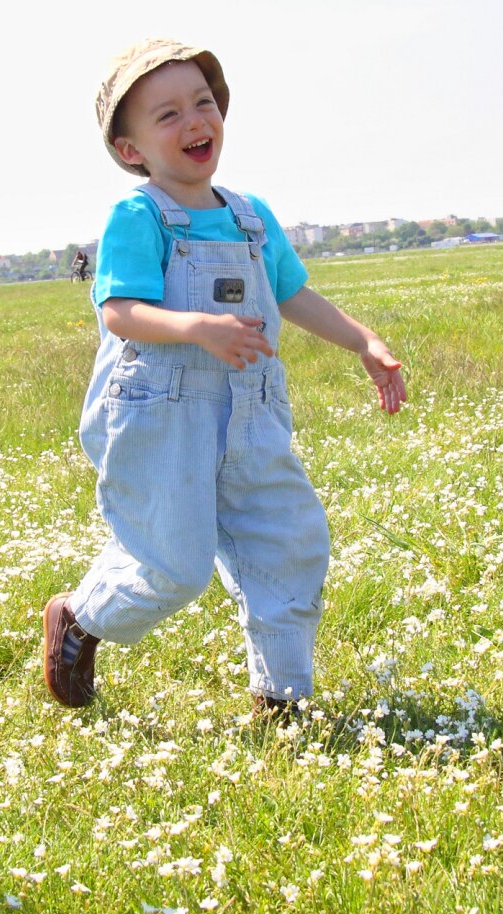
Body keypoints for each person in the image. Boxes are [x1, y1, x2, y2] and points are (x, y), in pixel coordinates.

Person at [43, 39, 406, 716]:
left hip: (251, 411)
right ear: (130, 149)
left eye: (203, 103)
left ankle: (282, 700)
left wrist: (363, 340)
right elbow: (120, 311)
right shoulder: (139, 216)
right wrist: (198, 328)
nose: (194, 121)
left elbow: (292, 294)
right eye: (168, 114)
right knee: (173, 569)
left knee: (288, 541)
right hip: (161, 416)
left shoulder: (251, 217)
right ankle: (82, 616)